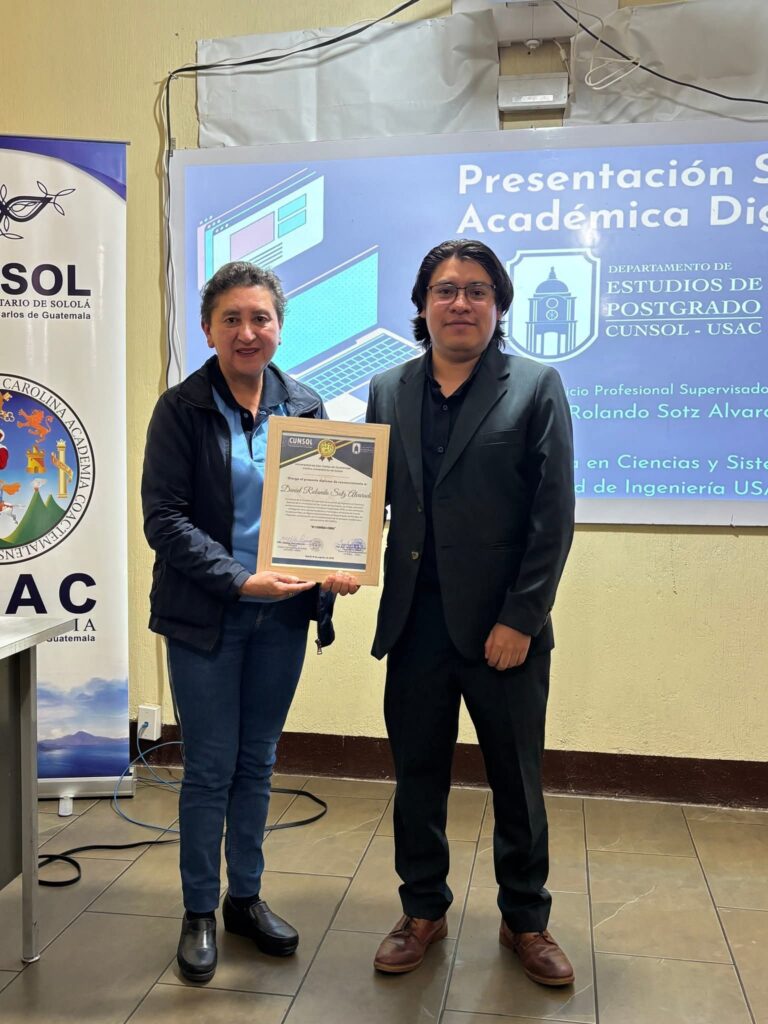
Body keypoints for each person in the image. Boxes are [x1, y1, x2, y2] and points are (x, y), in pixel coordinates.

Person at [141, 261, 358, 984]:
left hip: (283, 619)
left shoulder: (307, 406)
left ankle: (246, 899)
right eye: (230, 318)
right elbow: (164, 520)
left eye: (259, 317)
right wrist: (238, 579)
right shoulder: (181, 409)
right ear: (208, 330)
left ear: (279, 328)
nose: (246, 331)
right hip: (207, 616)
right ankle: (199, 909)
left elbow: (333, 507)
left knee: (258, 762)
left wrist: (339, 562)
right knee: (210, 767)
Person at [366, 239, 575, 985]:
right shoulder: (387, 388)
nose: (461, 302)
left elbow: (553, 517)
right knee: (417, 777)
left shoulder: (536, 386)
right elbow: (366, 499)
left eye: (478, 290)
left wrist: (522, 618)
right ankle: (422, 908)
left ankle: (527, 919)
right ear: (423, 305)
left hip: (503, 632)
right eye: (446, 289)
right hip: (414, 623)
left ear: (498, 305)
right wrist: (326, 557)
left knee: (516, 781)